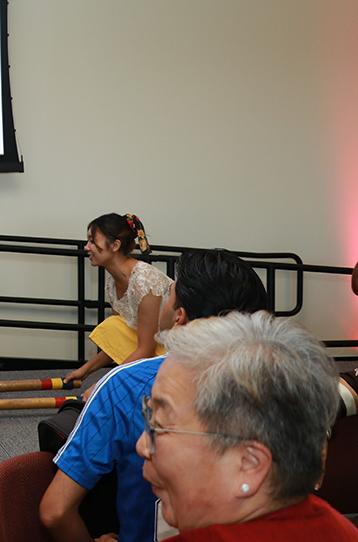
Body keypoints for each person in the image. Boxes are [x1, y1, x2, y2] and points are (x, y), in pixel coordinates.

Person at [41, 249, 270, 542]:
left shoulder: (125, 385)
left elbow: (55, 512)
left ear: (180, 317)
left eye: (170, 292)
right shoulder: (281, 389)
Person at [137, 311, 358, 541]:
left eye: (159, 426)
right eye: (149, 416)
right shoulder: (339, 529)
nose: (141, 445)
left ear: (249, 464)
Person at [65, 214, 172, 387]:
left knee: (114, 326)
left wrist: (101, 386)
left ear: (115, 245)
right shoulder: (111, 283)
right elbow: (122, 338)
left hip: (176, 352)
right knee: (115, 325)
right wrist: (85, 370)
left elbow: (146, 349)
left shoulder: (144, 280)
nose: (87, 247)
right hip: (153, 348)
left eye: (92, 241)